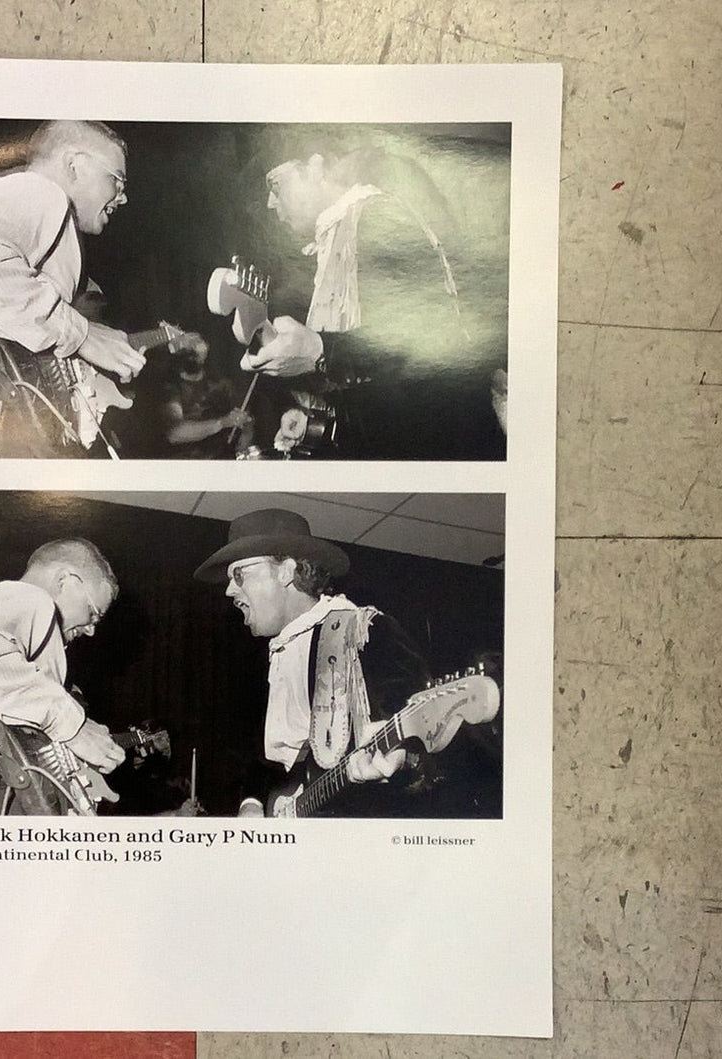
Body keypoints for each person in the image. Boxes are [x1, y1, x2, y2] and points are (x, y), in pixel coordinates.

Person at [243, 144, 509, 460]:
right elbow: (377, 385)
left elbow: (416, 361)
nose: (271, 203)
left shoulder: (377, 217)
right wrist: (313, 420)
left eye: (275, 184)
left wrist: (318, 351)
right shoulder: (340, 235)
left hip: (446, 448)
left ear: (316, 167)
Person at [194, 508, 439, 818]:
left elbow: (422, 751)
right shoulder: (263, 657)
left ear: (286, 572)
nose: (229, 590)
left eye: (239, 574)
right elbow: (263, 758)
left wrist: (402, 760)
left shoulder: (364, 633)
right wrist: (252, 803)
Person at [0, 120, 146, 456]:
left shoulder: (45, 213)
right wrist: (81, 333)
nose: (122, 197)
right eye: (116, 179)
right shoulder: (40, 191)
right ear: (74, 164)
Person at [0, 538, 126, 814]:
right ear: (64, 580)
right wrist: (71, 726)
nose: (91, 630)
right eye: (93, 612)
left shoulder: (23, 637)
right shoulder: (32, 598)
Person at [159, 342, 255, 459]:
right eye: (187, 345)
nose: (192, 348)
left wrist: (246, 433)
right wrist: (222, 423)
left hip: (221, 460)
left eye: (196, 342)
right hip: (185, 463)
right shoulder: (169, 388)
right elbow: (175, 433)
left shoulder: (221, 383)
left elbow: (245, 415)